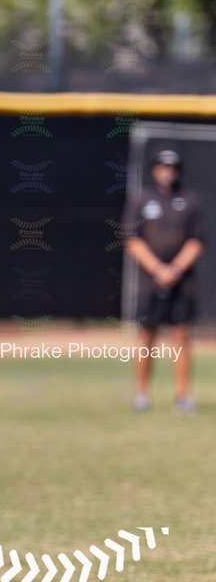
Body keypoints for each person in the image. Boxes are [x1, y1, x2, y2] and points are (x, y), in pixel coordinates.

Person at [123, 149, 206, 413]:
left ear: (178, 170)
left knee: (180, 336)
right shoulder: (141, 200)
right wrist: (158, 269)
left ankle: (183, 395)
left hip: (182, 281)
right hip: (150, 281)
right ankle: (141, 394)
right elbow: (132, 240)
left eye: (172, 167)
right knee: (147, 335)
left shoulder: (190, 201)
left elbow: (197, 240)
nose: (167, 171)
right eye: (162, 166)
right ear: (154, 169)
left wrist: (175, 269)